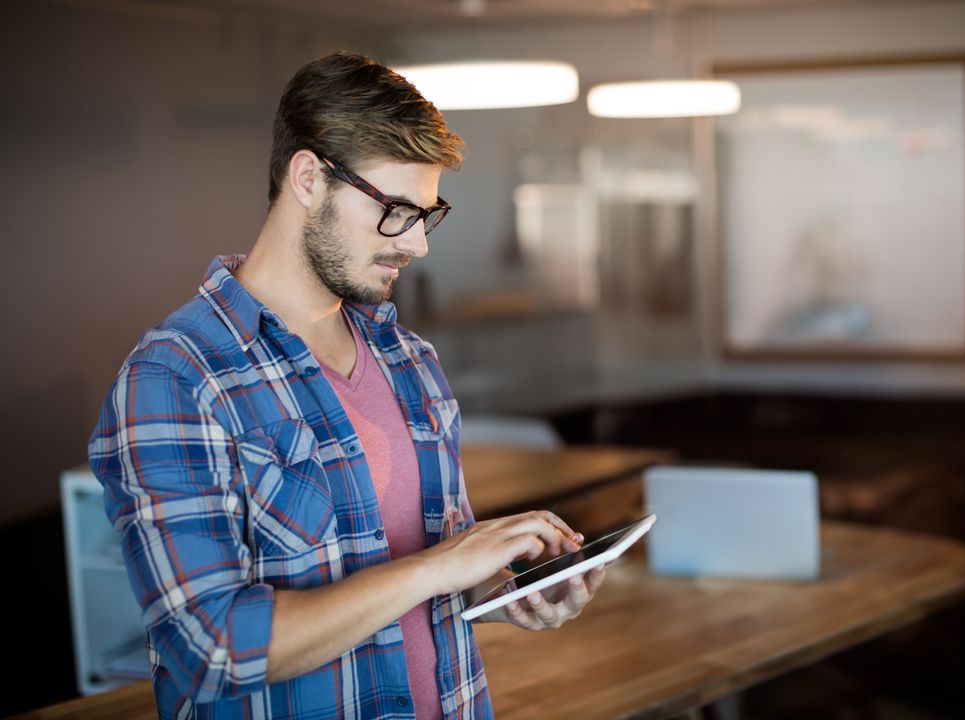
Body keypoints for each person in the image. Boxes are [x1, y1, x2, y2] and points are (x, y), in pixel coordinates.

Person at [88, 51, 605, 720]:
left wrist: (505, 594)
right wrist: (441, 568)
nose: (417, 245)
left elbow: (414, 594)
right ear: (307, 177)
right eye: (395, 209)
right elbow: (212, 649)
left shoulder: (409, 360)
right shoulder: (177, 377)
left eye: (426, 213)